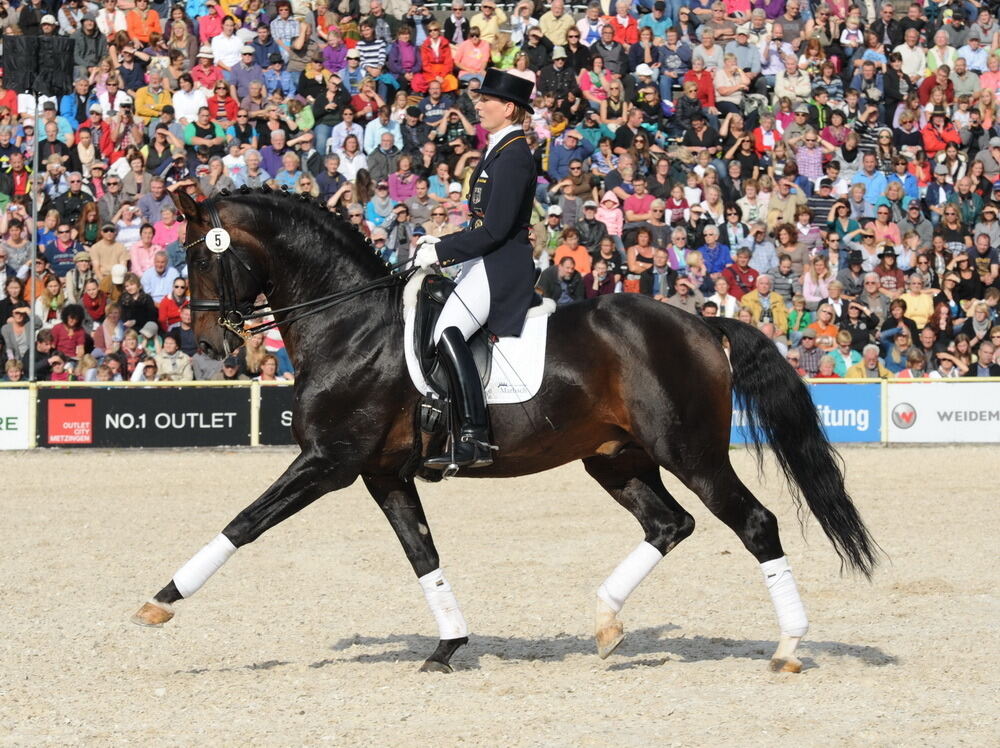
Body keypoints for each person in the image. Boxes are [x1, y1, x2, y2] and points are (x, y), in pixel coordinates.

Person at [411, 70, 536, 472]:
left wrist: (442, 250)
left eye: (486, 101)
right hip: (482, 258)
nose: (478, 106)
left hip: (500, 264)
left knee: (446, 331)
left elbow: (497, 228)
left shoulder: (515, 155)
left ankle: (474, 436)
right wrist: (444, 243)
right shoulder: (498, 149)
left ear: (509, 108)